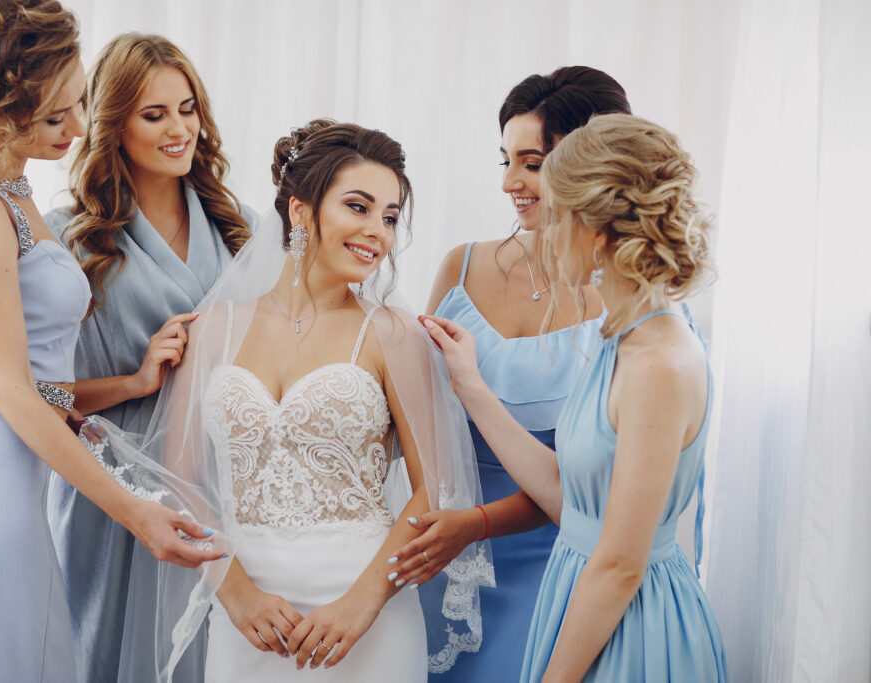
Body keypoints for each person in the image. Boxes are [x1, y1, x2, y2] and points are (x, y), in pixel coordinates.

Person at [86, 119, 492, 682]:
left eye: (391, 216)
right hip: (248, 615)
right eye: (359, 206)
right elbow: (181, 481)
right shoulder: (213, 329)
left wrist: (364, 603)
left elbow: (433, 488)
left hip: (366, 614)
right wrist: (235, 592)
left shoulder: (393, 332)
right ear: (301, 211)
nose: (378, 230)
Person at [0, 4, 223, 681]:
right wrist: (137, 513)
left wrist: (128, 385)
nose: (77, 128)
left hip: (6, 468)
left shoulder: (6, 181)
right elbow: (8, 387)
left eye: (77, 104)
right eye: (53, 118)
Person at [421, 113, 726, 681]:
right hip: (582, 600)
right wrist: (470, 384)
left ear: (597, 231)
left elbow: (618, 564)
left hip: (629, 626)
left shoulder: (657, 362)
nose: (543, 234)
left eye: (556, 215)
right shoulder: (621, 337)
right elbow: (569, 495)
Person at [388, 66, 628, 678]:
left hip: (557, 562)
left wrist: (476, 525)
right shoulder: (459, 267)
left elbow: (601, 488)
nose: (510, 184)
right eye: (505, 162)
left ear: (591, 165)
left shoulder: (623, 301)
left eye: (531, 163)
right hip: (441, 556)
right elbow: (413, 417)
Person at [44, 33, 256, 682]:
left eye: (187, 108)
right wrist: (136, 378)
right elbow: (30, 394)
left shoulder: (241, 229)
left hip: (221, 481)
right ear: (113, 124)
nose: (179, 129)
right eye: (154, 113)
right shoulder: (67, 238)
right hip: (112, 486)